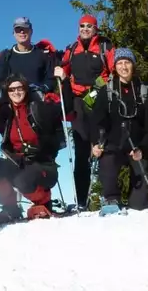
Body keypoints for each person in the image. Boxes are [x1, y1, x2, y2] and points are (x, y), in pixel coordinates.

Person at [0, 74, 73, 222]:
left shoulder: (38, 108)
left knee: (23, 179)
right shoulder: (6, 114)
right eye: (12, 89)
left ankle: (43, 203)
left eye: (20, 88)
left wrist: (64, 80)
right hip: (19, 162)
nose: (16, 92)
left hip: (43, 163)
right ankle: (10, 207)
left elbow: (65, 107)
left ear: (26, 90)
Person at [55, 14, 114, 209]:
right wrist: (59, 72)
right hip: (79, 102)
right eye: (82, 26)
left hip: (99, 100)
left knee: (102, 145)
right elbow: (63, 68)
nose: (86, 29)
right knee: (81, 151)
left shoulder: (105, 47)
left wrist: (98, 90)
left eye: (89, 26)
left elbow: (112, 72)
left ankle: (109, 197)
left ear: (95, 28)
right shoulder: (72, 49)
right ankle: (81, 200)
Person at [89, 48, 148, 211]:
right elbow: (96, 121)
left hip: (138, 146)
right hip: (113, 143)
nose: (124, 67)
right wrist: (95, 143)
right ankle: (112, 199)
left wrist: (144, 148)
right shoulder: (107, 91)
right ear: (115, 67)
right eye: (120, 63)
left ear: (133, 66)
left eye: (127, 62)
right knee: (107, 165)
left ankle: (138, 203)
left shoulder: (144, 91)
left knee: (139, 202)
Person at [0, 17, 56, 96]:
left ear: (31, 31)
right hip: (13, 102)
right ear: (14, 34)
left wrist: (42, 89)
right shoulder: (6, 56)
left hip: (38, 101)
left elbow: (51, 80)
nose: (22, 32)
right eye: (18, 29)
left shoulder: (43, 55)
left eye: (25, 28)